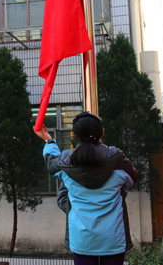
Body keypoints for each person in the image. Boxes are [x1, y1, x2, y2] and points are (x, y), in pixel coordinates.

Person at [35, 111, 140, 265]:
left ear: (75, 135)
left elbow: (51, 161)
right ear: (102, 133)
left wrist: (49, 141)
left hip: (81, 238)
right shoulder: (118, 159)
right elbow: (132, 179)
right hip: (114, 237)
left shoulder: (65, 161)